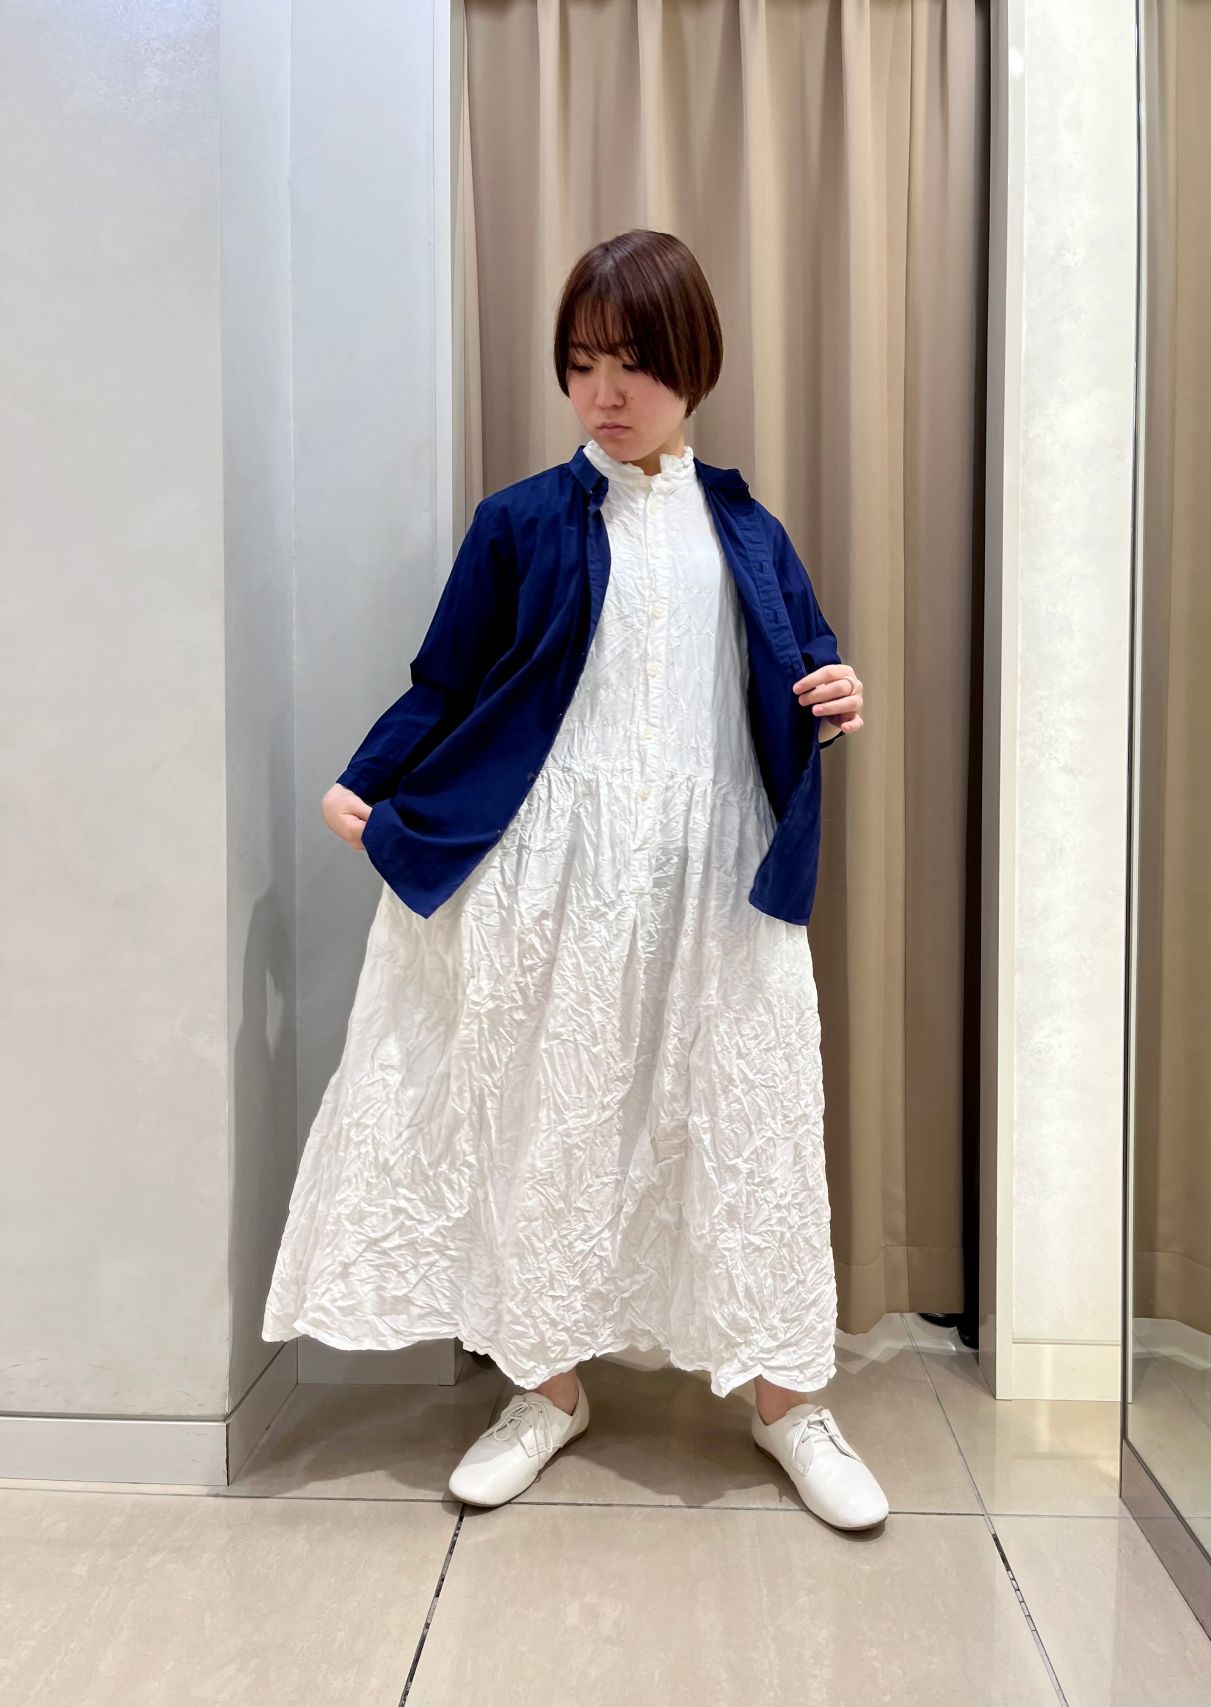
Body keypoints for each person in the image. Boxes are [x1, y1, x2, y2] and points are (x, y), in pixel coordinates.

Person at [262, 228, 889, 1532]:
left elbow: (806, 670)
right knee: (550, 1122)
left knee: (748, 1122)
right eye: (583, 363)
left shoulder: (749, 529)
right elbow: (446, 681)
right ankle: (546, 1391)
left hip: (720, 879)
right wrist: (369, 782)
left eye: (634, 363)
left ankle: (788, 1404)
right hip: (557, 872)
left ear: (693, 365)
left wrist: (835, 692)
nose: (605, 393)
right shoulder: (520, 522)